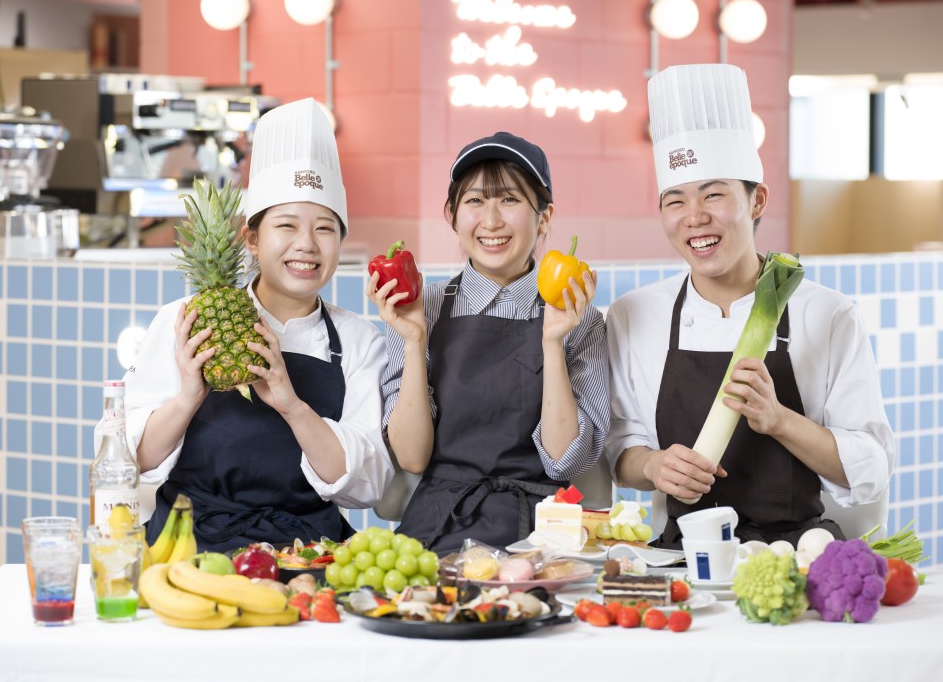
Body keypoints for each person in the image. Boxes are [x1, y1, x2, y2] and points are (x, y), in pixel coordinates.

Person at [606, 64, 895, 548]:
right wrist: (653, 465)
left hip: (796, 551)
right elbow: (620, 449)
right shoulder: (636, 315)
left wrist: (780, 420)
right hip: (682, 556)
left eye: (714, 194)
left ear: (757, 200)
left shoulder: (826, 314)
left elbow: (871, 468)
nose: (694, 217)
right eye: (675, 201)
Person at [120, 98, 394, 551]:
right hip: (189, 548)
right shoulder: (185, 320)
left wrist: (292, 405)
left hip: (310, 553)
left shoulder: (360, 341)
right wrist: (189, 395)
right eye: (286, 225)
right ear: (251, 237)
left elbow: (366, 486)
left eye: (325, 228)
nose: (306, 245)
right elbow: (131, 463)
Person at [367, 132, 610, 555]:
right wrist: (413, 342)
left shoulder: (578, 316)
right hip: (436, 526)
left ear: (545, 216)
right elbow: (411, 457)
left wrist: (552, 343)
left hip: (540, 537)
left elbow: (565, 461)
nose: (492, 221)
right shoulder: (418, 307)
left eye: (510, 200)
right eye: (475, 201)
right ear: (452, 215)